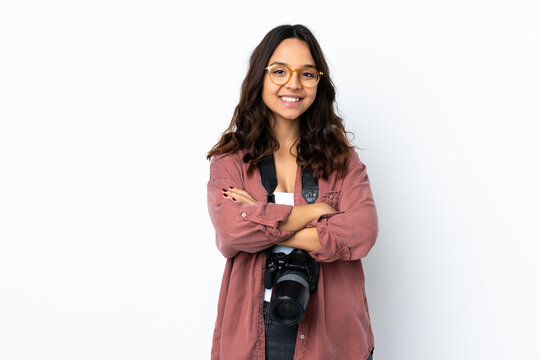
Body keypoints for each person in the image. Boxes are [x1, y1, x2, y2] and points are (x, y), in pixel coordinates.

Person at [206, 24, 379, 360]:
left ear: (319, 82)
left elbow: (363, 231)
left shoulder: (341, 160)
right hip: (252, 334)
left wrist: (258, 217)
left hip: (331, 336)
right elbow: (231, 229)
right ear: (261, 77)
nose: (293, 84)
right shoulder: (230, 160)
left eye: (307, 73)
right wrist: (316, 212)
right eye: (280, 71)